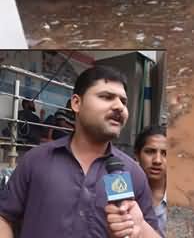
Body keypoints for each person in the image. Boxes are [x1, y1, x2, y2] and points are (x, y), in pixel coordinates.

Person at [0, 66, 161, 238]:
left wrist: (139, 226)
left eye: (123, 101)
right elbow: (5, 217)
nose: (119, 107)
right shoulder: (35, 160)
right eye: (106, 97)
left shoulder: (133, 173)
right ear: (76, 103)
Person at [134, 125, 168, 238]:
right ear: (137, 155)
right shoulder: (124, 194)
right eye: (150, 152)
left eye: (165, 153)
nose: (157, 160)